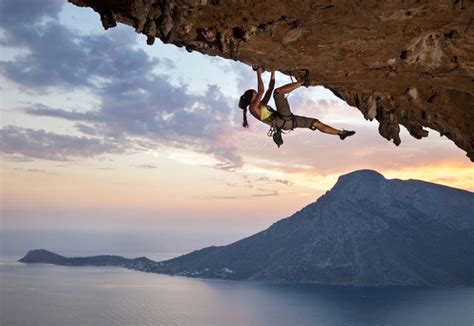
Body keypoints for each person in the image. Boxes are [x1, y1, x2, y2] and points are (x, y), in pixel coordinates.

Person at [238, 66, 355, 145]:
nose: (257, 95)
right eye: (255, 94)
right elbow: (262, 90)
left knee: (315, 122)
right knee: (278, 93)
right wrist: (258, 73)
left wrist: (273, 71)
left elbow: (270, 88)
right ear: (251, 99)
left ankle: (340, 133)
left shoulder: (261, 105)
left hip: (286, 122)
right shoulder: (252, 108)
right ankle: (303, 81)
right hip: (281, 119)